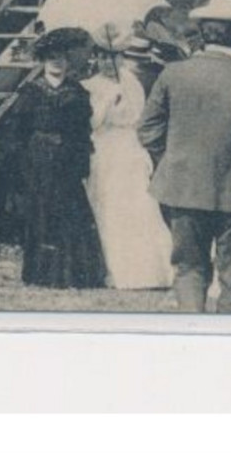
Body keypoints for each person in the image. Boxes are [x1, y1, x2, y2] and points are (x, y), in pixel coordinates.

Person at [137, 0, 231, 314]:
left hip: (182, 189)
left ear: (203, 32)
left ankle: (193, 338)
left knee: (189, 269)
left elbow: (147, 130)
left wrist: (171, 161)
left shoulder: (173, 74)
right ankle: (227, 348)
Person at [13, 27, 106, 290]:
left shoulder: (77, 93)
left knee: (69, 214)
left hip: (67, 160)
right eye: (51, 57)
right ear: (43, 60)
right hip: (38, 160)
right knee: (41, 212)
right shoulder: (30, 92)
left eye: (62, 57)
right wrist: (25, 165)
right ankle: (40, 273)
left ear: (68, 61)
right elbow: (19, 134)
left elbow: (83, 132)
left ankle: (69, 275)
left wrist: (80, 162)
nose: (57, 62)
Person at [81, 50, 173, 290]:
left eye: (114, 57)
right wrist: (108, 100)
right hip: (104, 147)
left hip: (129, 148)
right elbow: (91, 123)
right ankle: (114, 270)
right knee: (108, 203)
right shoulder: (90, 86)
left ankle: (147, 271)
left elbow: (140, 118)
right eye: (102, 57)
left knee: (138, 204)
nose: (109, 63)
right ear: (95, 59)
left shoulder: (132, 82)